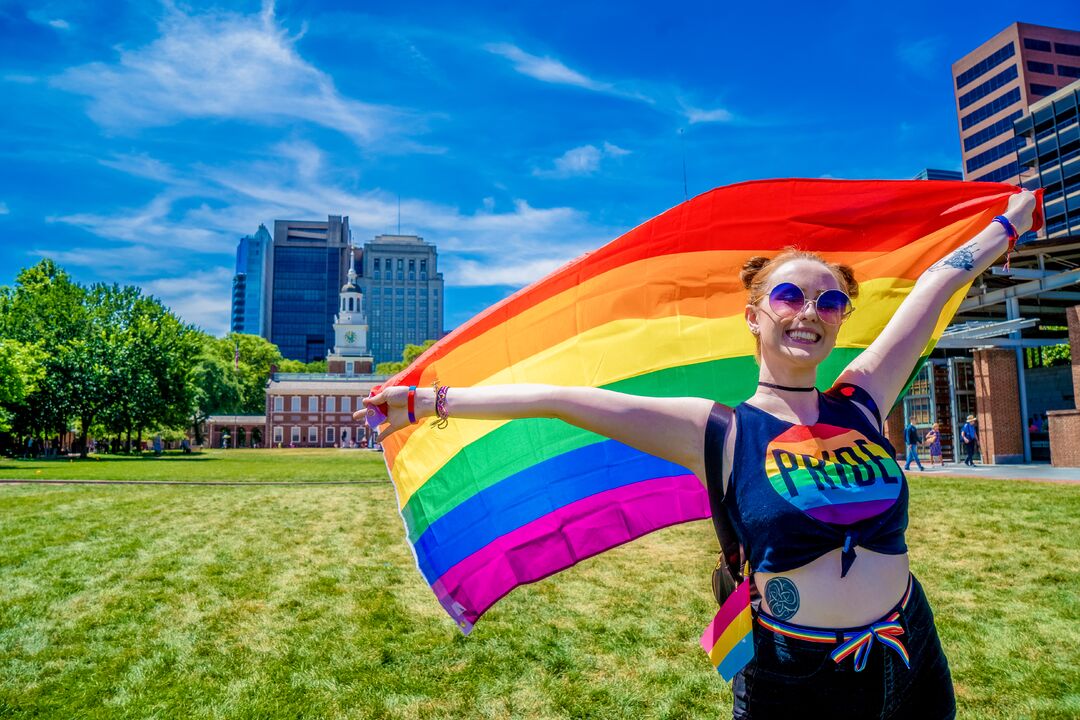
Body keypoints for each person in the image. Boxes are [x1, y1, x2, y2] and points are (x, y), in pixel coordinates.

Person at [357, 190, 1036, 718]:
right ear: (753, 315)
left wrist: (1003, 226)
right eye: (789, 295)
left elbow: (934, 288)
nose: (810, 311)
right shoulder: (721, 431)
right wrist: (425, 403)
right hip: (792, 675)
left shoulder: (863, 398)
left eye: (829, 300)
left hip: (907, 647)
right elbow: (561, 400)